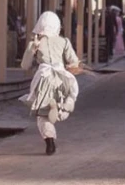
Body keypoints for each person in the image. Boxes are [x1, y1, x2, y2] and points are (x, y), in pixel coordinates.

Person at [20, 11, 81, 155]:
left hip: (44, 79)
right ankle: (64, 106)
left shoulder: (36, 43)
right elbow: (74, 62)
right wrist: (70, 66)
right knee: (71, 91)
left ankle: (50, 142)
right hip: (61, 77)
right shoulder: (64, 41)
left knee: (43, 114)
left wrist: (32, 49)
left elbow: (25, 65)